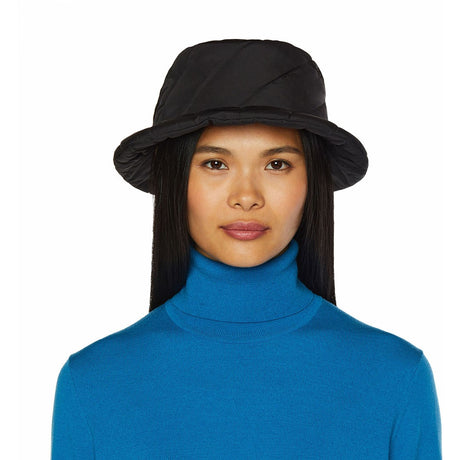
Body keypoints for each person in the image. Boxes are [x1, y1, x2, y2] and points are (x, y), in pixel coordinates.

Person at [51, 39, 442, 459]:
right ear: (175, 180)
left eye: (277, 164)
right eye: (215, 163)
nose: (246, 196)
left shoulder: (395, 377)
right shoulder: (92, 383)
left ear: (311, 182)